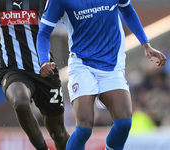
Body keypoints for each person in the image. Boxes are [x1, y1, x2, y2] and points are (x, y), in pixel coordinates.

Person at [36, 0, 167, 150]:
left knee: (124, 123)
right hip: (82, 65)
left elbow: (128, 11)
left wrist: (145, 43)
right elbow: (44, 32)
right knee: (84, 127)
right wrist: (44, 61)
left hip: (112, 65)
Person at [0, 0, 69, 150]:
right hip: (11, 69)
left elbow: (69, 13)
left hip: (45, 69)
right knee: (21, 103)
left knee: (59, 134)